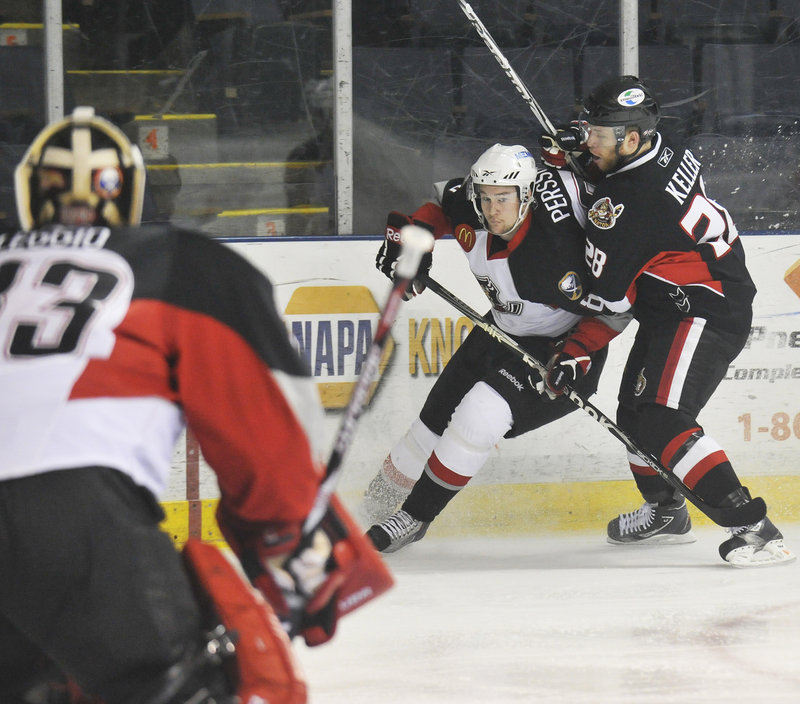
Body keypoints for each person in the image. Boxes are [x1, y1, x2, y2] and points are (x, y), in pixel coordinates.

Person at [0, 107, 391, 704]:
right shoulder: (174, 262)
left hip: (62, 527)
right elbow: (265, 432)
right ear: (129, 193)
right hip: (79, 522)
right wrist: (290, 544)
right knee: (186, 685)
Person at [540, 75, 795, 567]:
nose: (589, 139)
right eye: (589, 128)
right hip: (674, 303)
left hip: (705, 310)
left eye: (598, 133)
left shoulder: (631, 209)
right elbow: (616, 178)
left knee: (662, 417)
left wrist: (567, 172)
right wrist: (580, 153)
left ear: (631, 138)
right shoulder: (662, 146)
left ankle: (757, 530)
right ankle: (666, 511)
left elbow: (611, 300)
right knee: (635, 415)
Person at [362, 143, 628, 553]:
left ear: (527, 195)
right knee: (432, 420)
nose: (492, 209)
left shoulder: (557, 251)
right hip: (499, 329)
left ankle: (414, 517)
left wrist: (576, 354)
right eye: (486, 198)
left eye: (502, 199)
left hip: (559, 349)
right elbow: (440, 200)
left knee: (477, 420)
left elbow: (616, 307)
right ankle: (372, 504)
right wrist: (416, 242)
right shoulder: (475, 204)